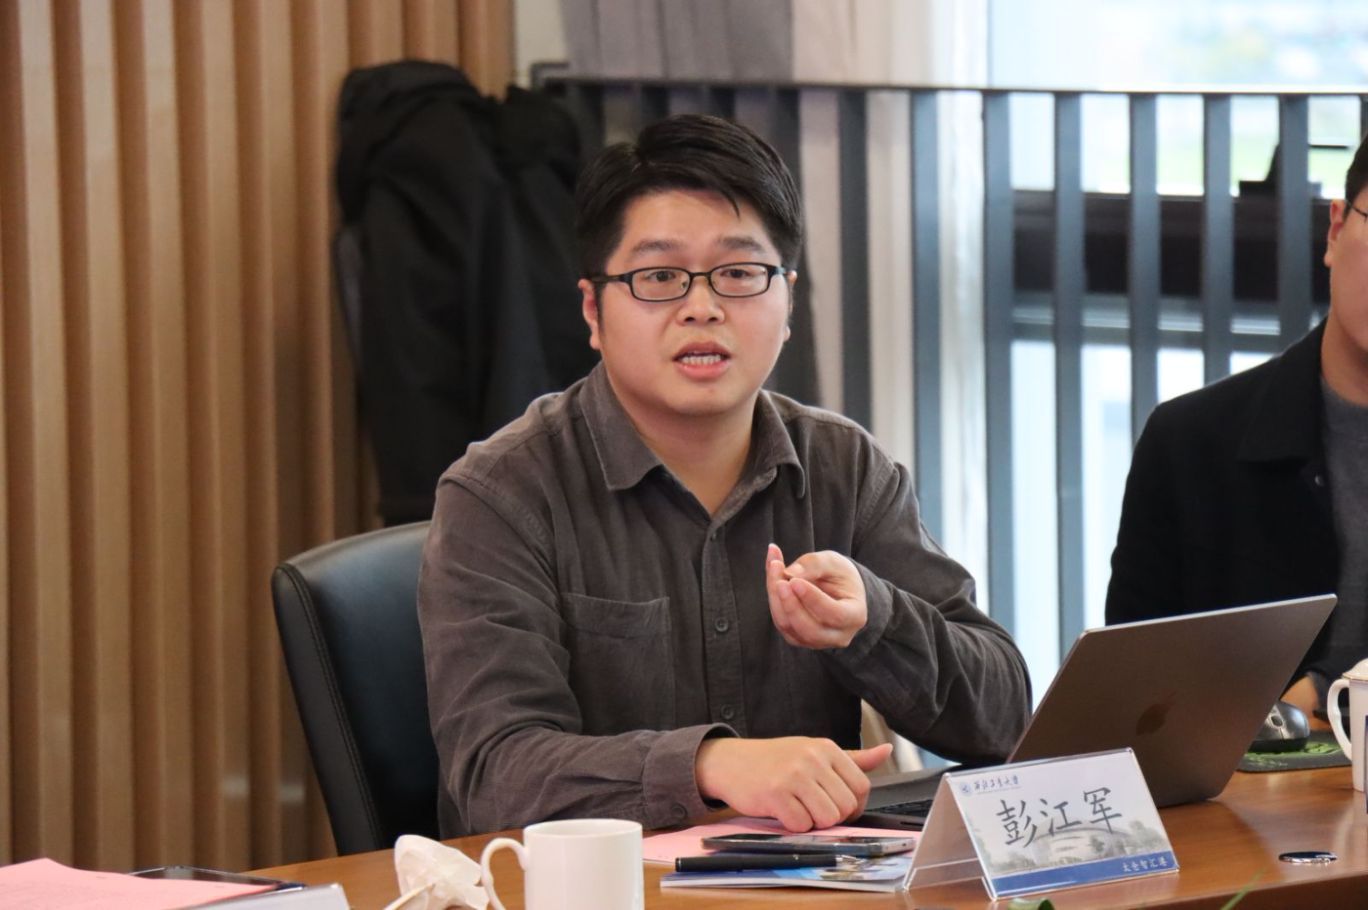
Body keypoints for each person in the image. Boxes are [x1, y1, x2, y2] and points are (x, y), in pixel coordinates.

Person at [418, 114, 1031, 838]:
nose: (702, 308)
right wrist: (709, 765)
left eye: (739, 274)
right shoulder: (501, 494)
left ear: (788, 301)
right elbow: (493, 775)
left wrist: (875, 620)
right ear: (593, 310)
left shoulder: (844, 468)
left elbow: (1006, 721)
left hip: (819, 882)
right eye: (659, 277)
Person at [1106, 131, 1368, 726]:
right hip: (1238, 785)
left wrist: (1329, 686)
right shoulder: (1189, 444)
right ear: (1335, 231)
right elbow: (1134, 699)